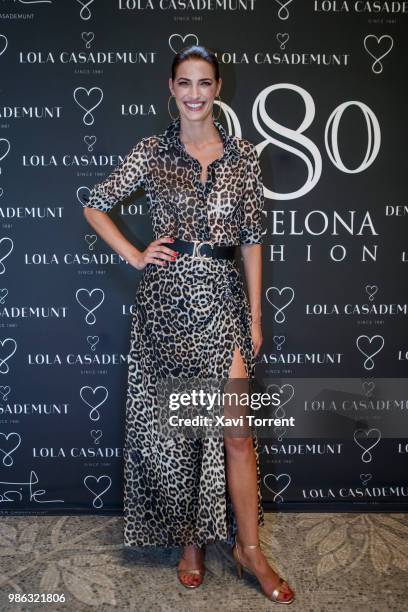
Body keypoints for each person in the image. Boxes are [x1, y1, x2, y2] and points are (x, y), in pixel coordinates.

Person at [82, 44, 295, 605]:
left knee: (237, 434)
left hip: (223, 303)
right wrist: (134, 254)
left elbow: (251, 240)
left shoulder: (245, 157)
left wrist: (254, 315)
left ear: (218, 88)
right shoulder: (152, 151)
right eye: (185, 83)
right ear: (171, 89)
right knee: (177, 434)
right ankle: (191, 543)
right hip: (167, 306)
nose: (195, 93)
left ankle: (249, 549)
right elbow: (94, 203)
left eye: (204, 83)